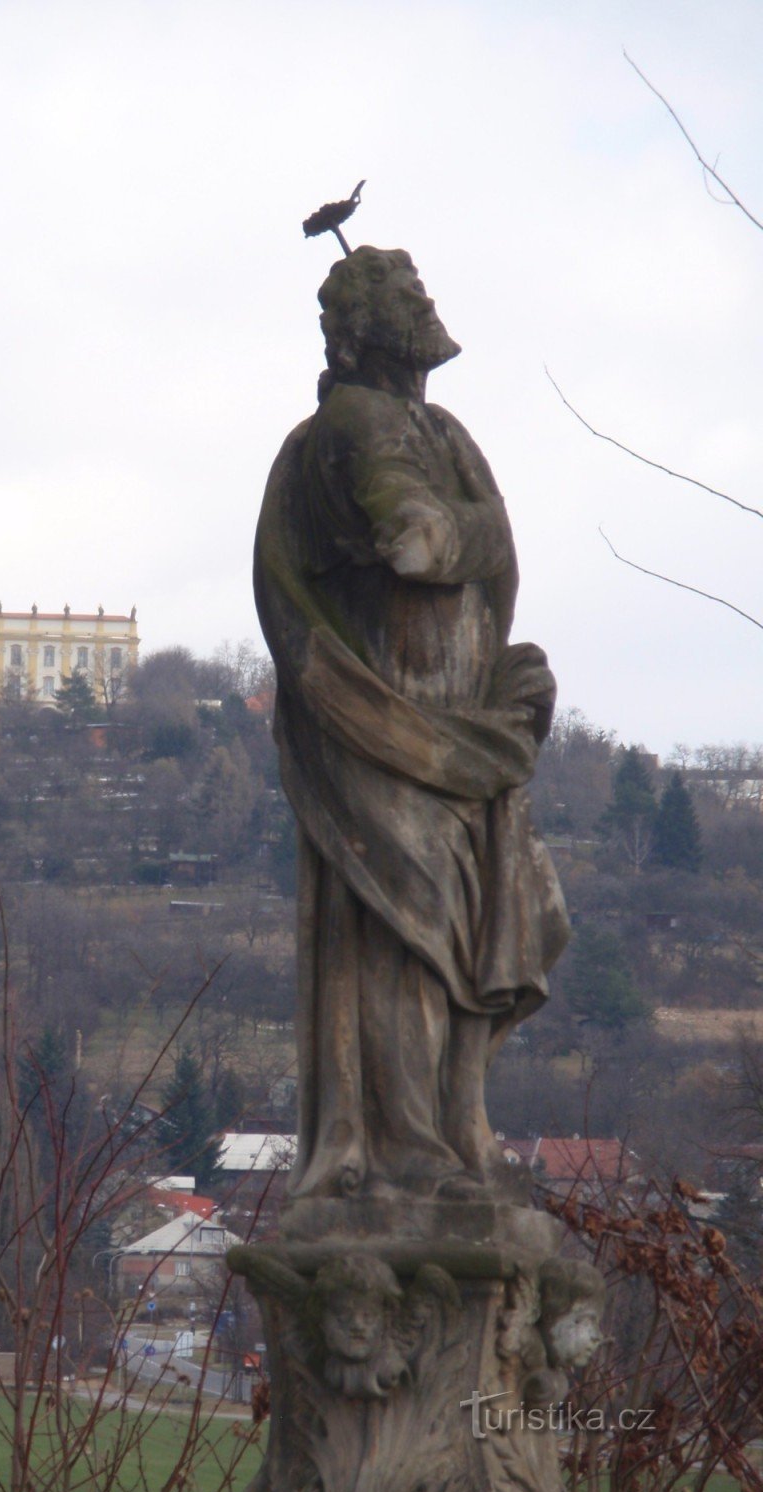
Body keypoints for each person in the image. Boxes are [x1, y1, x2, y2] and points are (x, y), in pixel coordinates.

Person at [255, 246, 568, 1202]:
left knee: (492, 926)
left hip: (459, 725)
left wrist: (459, 537)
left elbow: (474, 541)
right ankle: (407, 1144)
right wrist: (457, 536)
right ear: (362, 329)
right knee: (413, 930)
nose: (423, 305)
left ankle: (456, 1124)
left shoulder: (445, 430)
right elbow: (413, 538)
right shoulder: (351, 427)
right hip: (384, 727)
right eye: (401, 295)